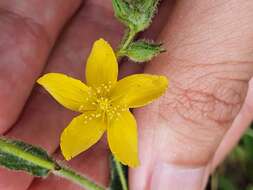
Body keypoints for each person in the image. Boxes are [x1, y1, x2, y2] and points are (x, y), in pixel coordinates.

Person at [0, 0, 253, 189]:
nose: (102, 104)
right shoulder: (92, 90)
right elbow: (64, 82)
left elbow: (124, 66)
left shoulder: (125, 85)